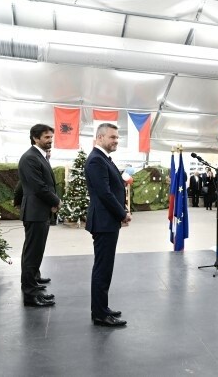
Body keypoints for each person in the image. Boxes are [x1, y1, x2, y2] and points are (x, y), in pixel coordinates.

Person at [84, 123, 131, 327]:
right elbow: (104, 193)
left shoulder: (103, 158)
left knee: (105, 267)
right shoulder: (96, 160)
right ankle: (100, 314)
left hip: (107, 221)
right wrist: (122, 214)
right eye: (112, 137)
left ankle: (101, 307)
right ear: (100, 137)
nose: (116, 141)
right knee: (102, 268)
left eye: (117, 138)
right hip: (104, 222)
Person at [17, 124, 59, 308]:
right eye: (46, 137)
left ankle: (33, 281)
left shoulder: (38, 156)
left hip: (38, 210)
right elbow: (39, 186)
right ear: (35, 138)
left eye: (51, 137)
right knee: (32, 254)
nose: (50, 140)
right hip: (35, 211)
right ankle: (30, 294)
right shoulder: (29, 158)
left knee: (35, 251)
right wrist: (56, 201)